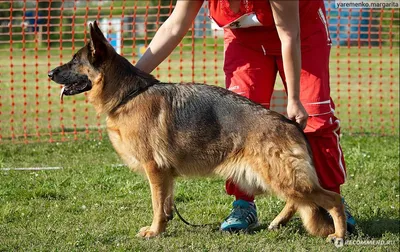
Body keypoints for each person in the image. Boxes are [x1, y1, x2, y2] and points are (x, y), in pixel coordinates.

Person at [135, 0, 356, 233]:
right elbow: (173, 26)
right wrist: (133, 78)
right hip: (245, 41)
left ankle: (331, 199)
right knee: (236, 123)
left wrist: (294, 98)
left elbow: (289, 34)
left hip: (301, 32)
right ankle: (243, 205)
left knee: (315, 116)